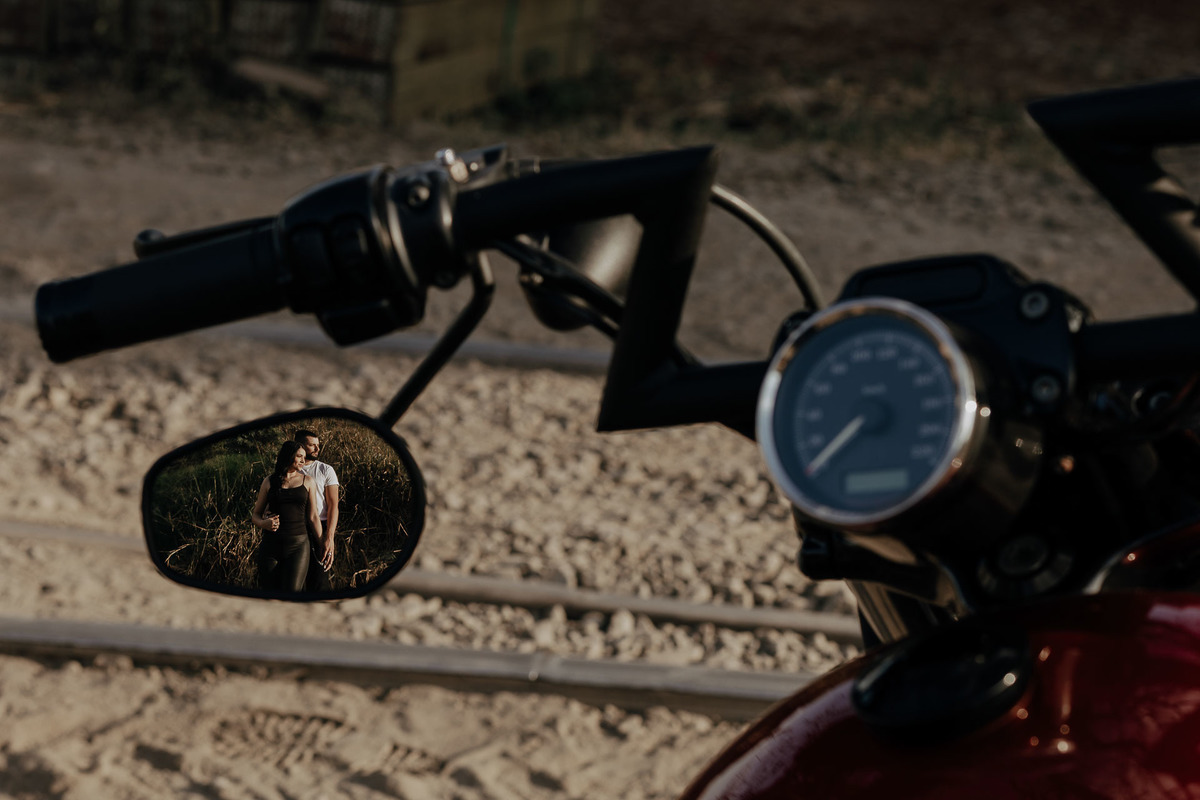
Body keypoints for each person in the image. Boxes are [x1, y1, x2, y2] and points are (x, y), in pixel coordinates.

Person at [251, 441, 322, 592]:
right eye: (299, 456)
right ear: (289, 456)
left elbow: (313, 517)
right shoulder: (269, 481)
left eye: (304, 457)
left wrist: (323, 544)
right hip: (270, 546)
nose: (303, 460)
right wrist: (264, 524)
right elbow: (256, 514)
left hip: (298, 547)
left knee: (292, 594)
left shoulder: (308, 481)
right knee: (270, 595)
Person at [295, 428, 340, 591]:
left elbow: (333, 505)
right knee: (295, 580)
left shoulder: (325, 470)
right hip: (295, 527)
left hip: (320, 527)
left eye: (318, 445)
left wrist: (329, 537)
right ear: (300, 446)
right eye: (312, 445)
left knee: (319, 580)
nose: (317, 448)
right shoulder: (291, 469)